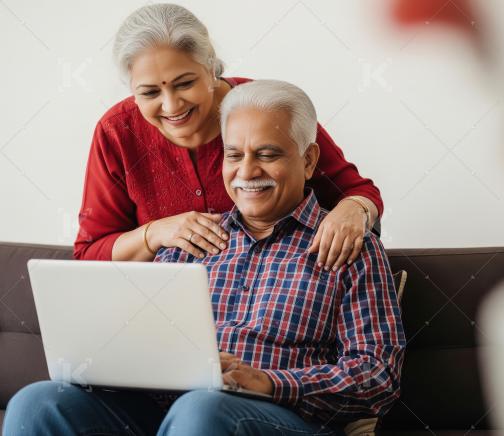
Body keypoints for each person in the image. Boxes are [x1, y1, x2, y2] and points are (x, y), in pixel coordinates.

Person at [3, 80, 404, 435]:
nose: (247, 171)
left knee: (202, 409)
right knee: (38, 402)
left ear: (309, 159)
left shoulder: (349, 247)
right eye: (234, 155)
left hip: (279, 417)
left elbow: (376, 375)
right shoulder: (184, 243)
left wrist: (269, 382)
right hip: (165, 412)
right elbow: (139, 349)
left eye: (267, 154)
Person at [74, 3, 382, 272]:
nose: (171, 105)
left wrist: (353, 210)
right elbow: (89, 254)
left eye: (184, 83)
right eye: (150, 92)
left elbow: (357, 192)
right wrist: (153, 234)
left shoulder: (263, 109)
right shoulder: (117, 131)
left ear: (211, 68)